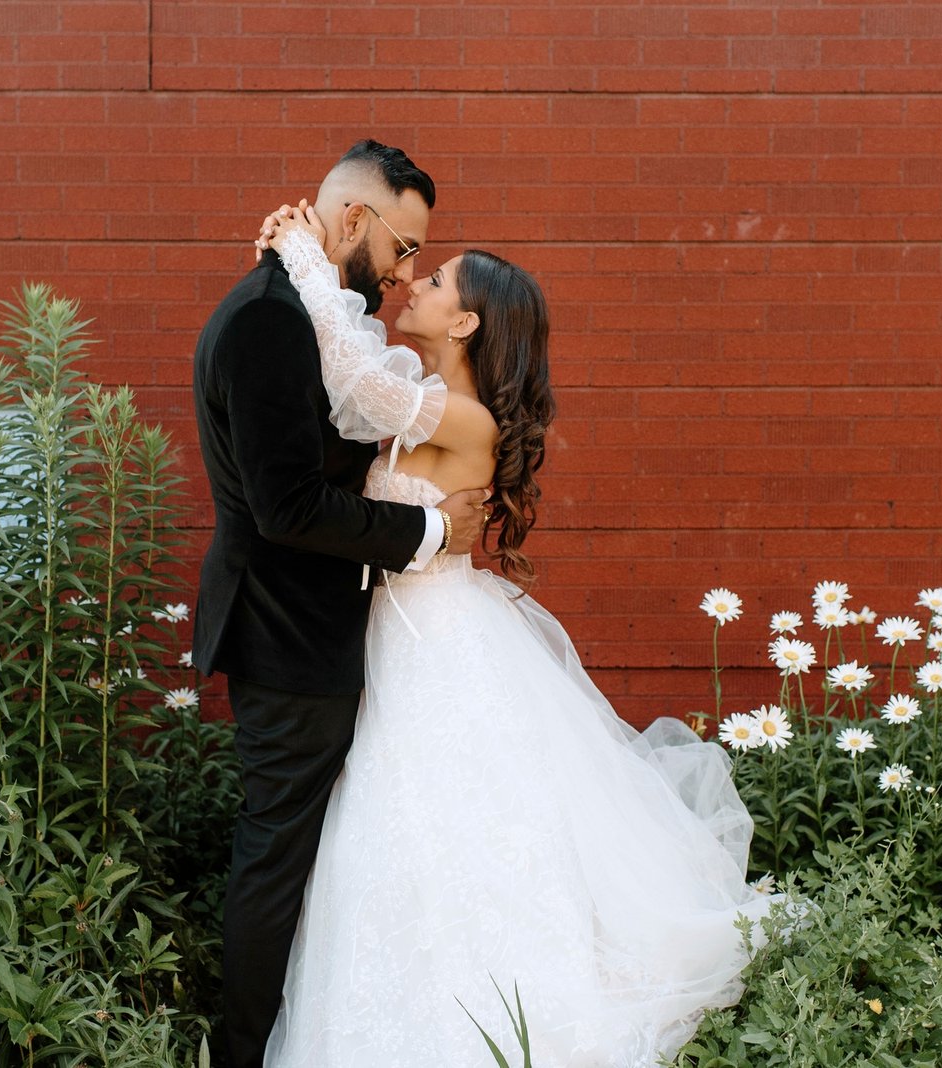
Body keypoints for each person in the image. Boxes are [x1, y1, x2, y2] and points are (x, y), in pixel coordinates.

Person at [248, 203, 779, 1066]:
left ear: (464, 322)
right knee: (403, 847)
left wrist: (304, 252)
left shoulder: (466, 421)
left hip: (439, 646)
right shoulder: (427, 400)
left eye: (436, 280)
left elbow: (347, 369)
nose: (411, 283)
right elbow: (344, 380)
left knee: (450, 831)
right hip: (397, 636)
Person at [190, 140, 489, 1068]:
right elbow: (286, 508)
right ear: (353, 218)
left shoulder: (298, 306)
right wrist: (430, 536)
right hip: (288, 634)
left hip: (314, 634)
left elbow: (358, 389)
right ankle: (243, 1055)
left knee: (307, 857)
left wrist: (305, 256)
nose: (404, 274)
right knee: (277, 864)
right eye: (404, 248)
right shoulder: (268, 321)